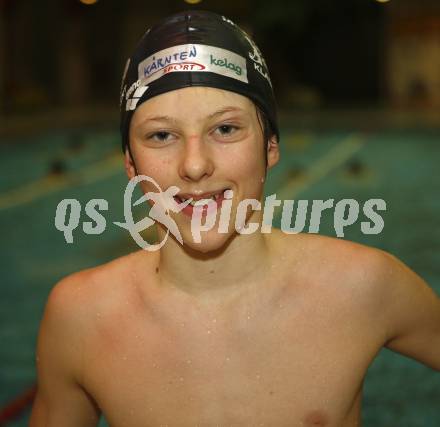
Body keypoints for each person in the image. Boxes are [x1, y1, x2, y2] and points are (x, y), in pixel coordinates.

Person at [30, 10, 440, 427]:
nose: (194, 165)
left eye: (225, 129)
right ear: (131, 164)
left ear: (272, 145)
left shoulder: (363, 287)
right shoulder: (80, 318)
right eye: (161, 135)